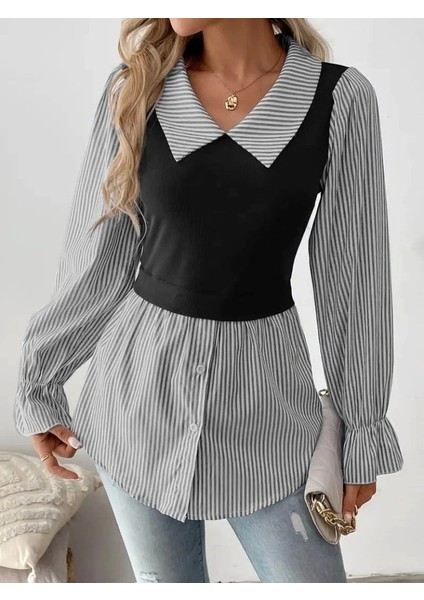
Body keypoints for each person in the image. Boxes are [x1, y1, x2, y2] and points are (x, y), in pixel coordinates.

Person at [14, 18, 404, 583]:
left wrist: (362, 428)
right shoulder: (136, 88)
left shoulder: (339, 100)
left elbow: (355, 283)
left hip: (269, 413)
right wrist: (40, 380)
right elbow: (97, 260)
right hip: (136, 405)